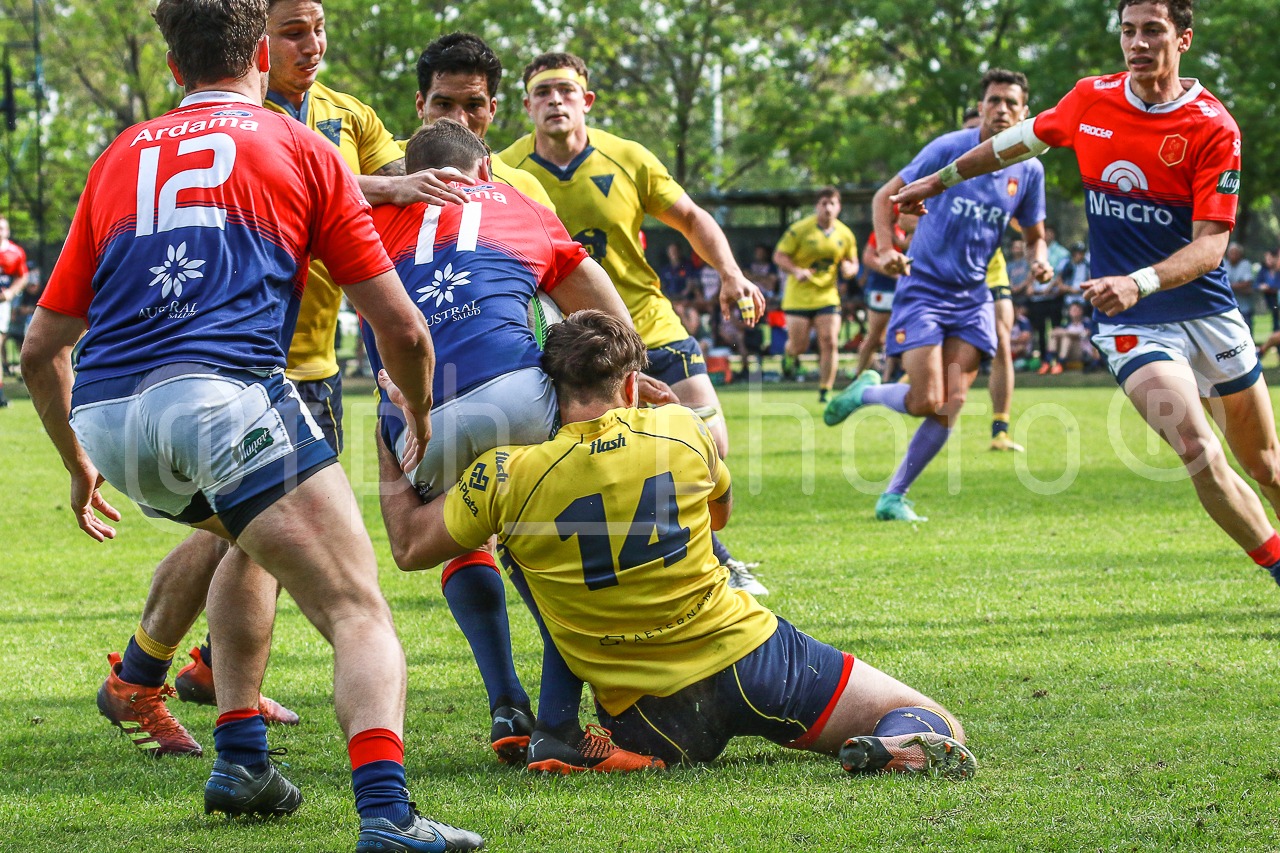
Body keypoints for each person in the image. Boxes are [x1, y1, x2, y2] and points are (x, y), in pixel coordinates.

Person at [21, 1, 482, 848]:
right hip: (221, 401)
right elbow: (406, 329)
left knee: (244, 537)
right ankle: (388, 814)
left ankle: (239, 758)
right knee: (357, 610)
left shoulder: (118, 153)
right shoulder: (304, 145)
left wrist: (77, 463)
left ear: (172, 68)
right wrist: (418, 416)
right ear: (260, 59)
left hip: (110, 418)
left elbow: (41, 345)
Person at [380, 309, 977, 778]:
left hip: (647, 714)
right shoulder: (681, 431)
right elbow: (720, 516)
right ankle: (888, 745)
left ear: (547, 387)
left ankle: (543, 719)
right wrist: (671, 417)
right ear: (631, 381)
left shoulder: (504, 475)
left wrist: (391, 440)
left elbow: (410, 548)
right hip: (752, 659)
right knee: (935, 719)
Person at [892, 0, 1280, 589]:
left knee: (1267, 467)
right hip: (1135, 325)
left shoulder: (1213, 126)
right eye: (1128, 31)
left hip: (1207, 313)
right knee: (1198, 448)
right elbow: (1012, 144)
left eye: (1153, 31)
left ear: (1185, 39)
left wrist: (1138, 279)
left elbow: (1211, 248)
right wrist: (941, 178)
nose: (1138, 43)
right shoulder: (1091, 98)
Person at [369, 119, 668, 772]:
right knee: (569, 541)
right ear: (482, 171)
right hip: (514, 391)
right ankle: (564, 724)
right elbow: (584, 282)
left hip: (418, 420)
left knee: (467, 525)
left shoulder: (369, 214)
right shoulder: (512, 200)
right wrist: (633, 366)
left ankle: (507, 702)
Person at [501, 51, 768, 595]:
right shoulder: (508, 170)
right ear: (526, 105)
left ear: (587, 101)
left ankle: (704, 553)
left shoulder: (627, 157)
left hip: (650, 324)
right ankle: (692, 567)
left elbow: (691, 216)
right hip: (573, 345)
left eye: (566, 91)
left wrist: (731, 274)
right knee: (599, 458)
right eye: (544, 92)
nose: (556, 100)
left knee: (710, 443)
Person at [824, 68, 1052, 522]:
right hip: (924, 288)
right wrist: (887, 249)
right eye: (993, 100)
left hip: (974, 297)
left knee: (952, 402)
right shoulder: (950, 148)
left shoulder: (1028, 169)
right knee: (924, 400)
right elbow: (885, 196)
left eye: (1011, 102)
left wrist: (1039, 258)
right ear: (982, 106)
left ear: (1025, 112)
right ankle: (866, 392)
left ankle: (893, 497)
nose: (1001, 109)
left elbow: (1035, 233)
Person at [773, 187, 859, 403]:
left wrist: (850, 269)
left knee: (829, 341)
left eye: (832, 204)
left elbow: (852, 261)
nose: (828, 208)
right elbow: (779, 256)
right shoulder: (800, 230)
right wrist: (796, 270)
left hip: (827, 295)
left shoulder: (845, 234)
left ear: (838, 207)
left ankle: (825, 390)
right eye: (823, 203)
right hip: (798, 297)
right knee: (799, 345)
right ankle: (789, 354)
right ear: (816, 206)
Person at [853, 207, 916, 380]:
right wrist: (894, 273)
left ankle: (887, 378)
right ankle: (857, 376)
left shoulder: (914, 232)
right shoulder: (883, 233)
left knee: (898, 336)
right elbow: (868, 258)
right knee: (875, 338)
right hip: (882, 289)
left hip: (905, 291)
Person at [0, 215, 29, 407]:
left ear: (7, 231)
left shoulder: (15, 253)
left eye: (2, 228)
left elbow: (23, 277)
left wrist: (11, 292)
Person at [1223, 242, 1255, 336]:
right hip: (1228, 306)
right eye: (1231, 252)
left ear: (1240, 254)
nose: (1233, 255)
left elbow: (1247, 284)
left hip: (1244, 306)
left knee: (1247, 330)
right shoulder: (1224, 264)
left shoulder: (1245, 264)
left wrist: (1228, 286)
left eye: (1236, 253)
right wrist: (1238, 286)